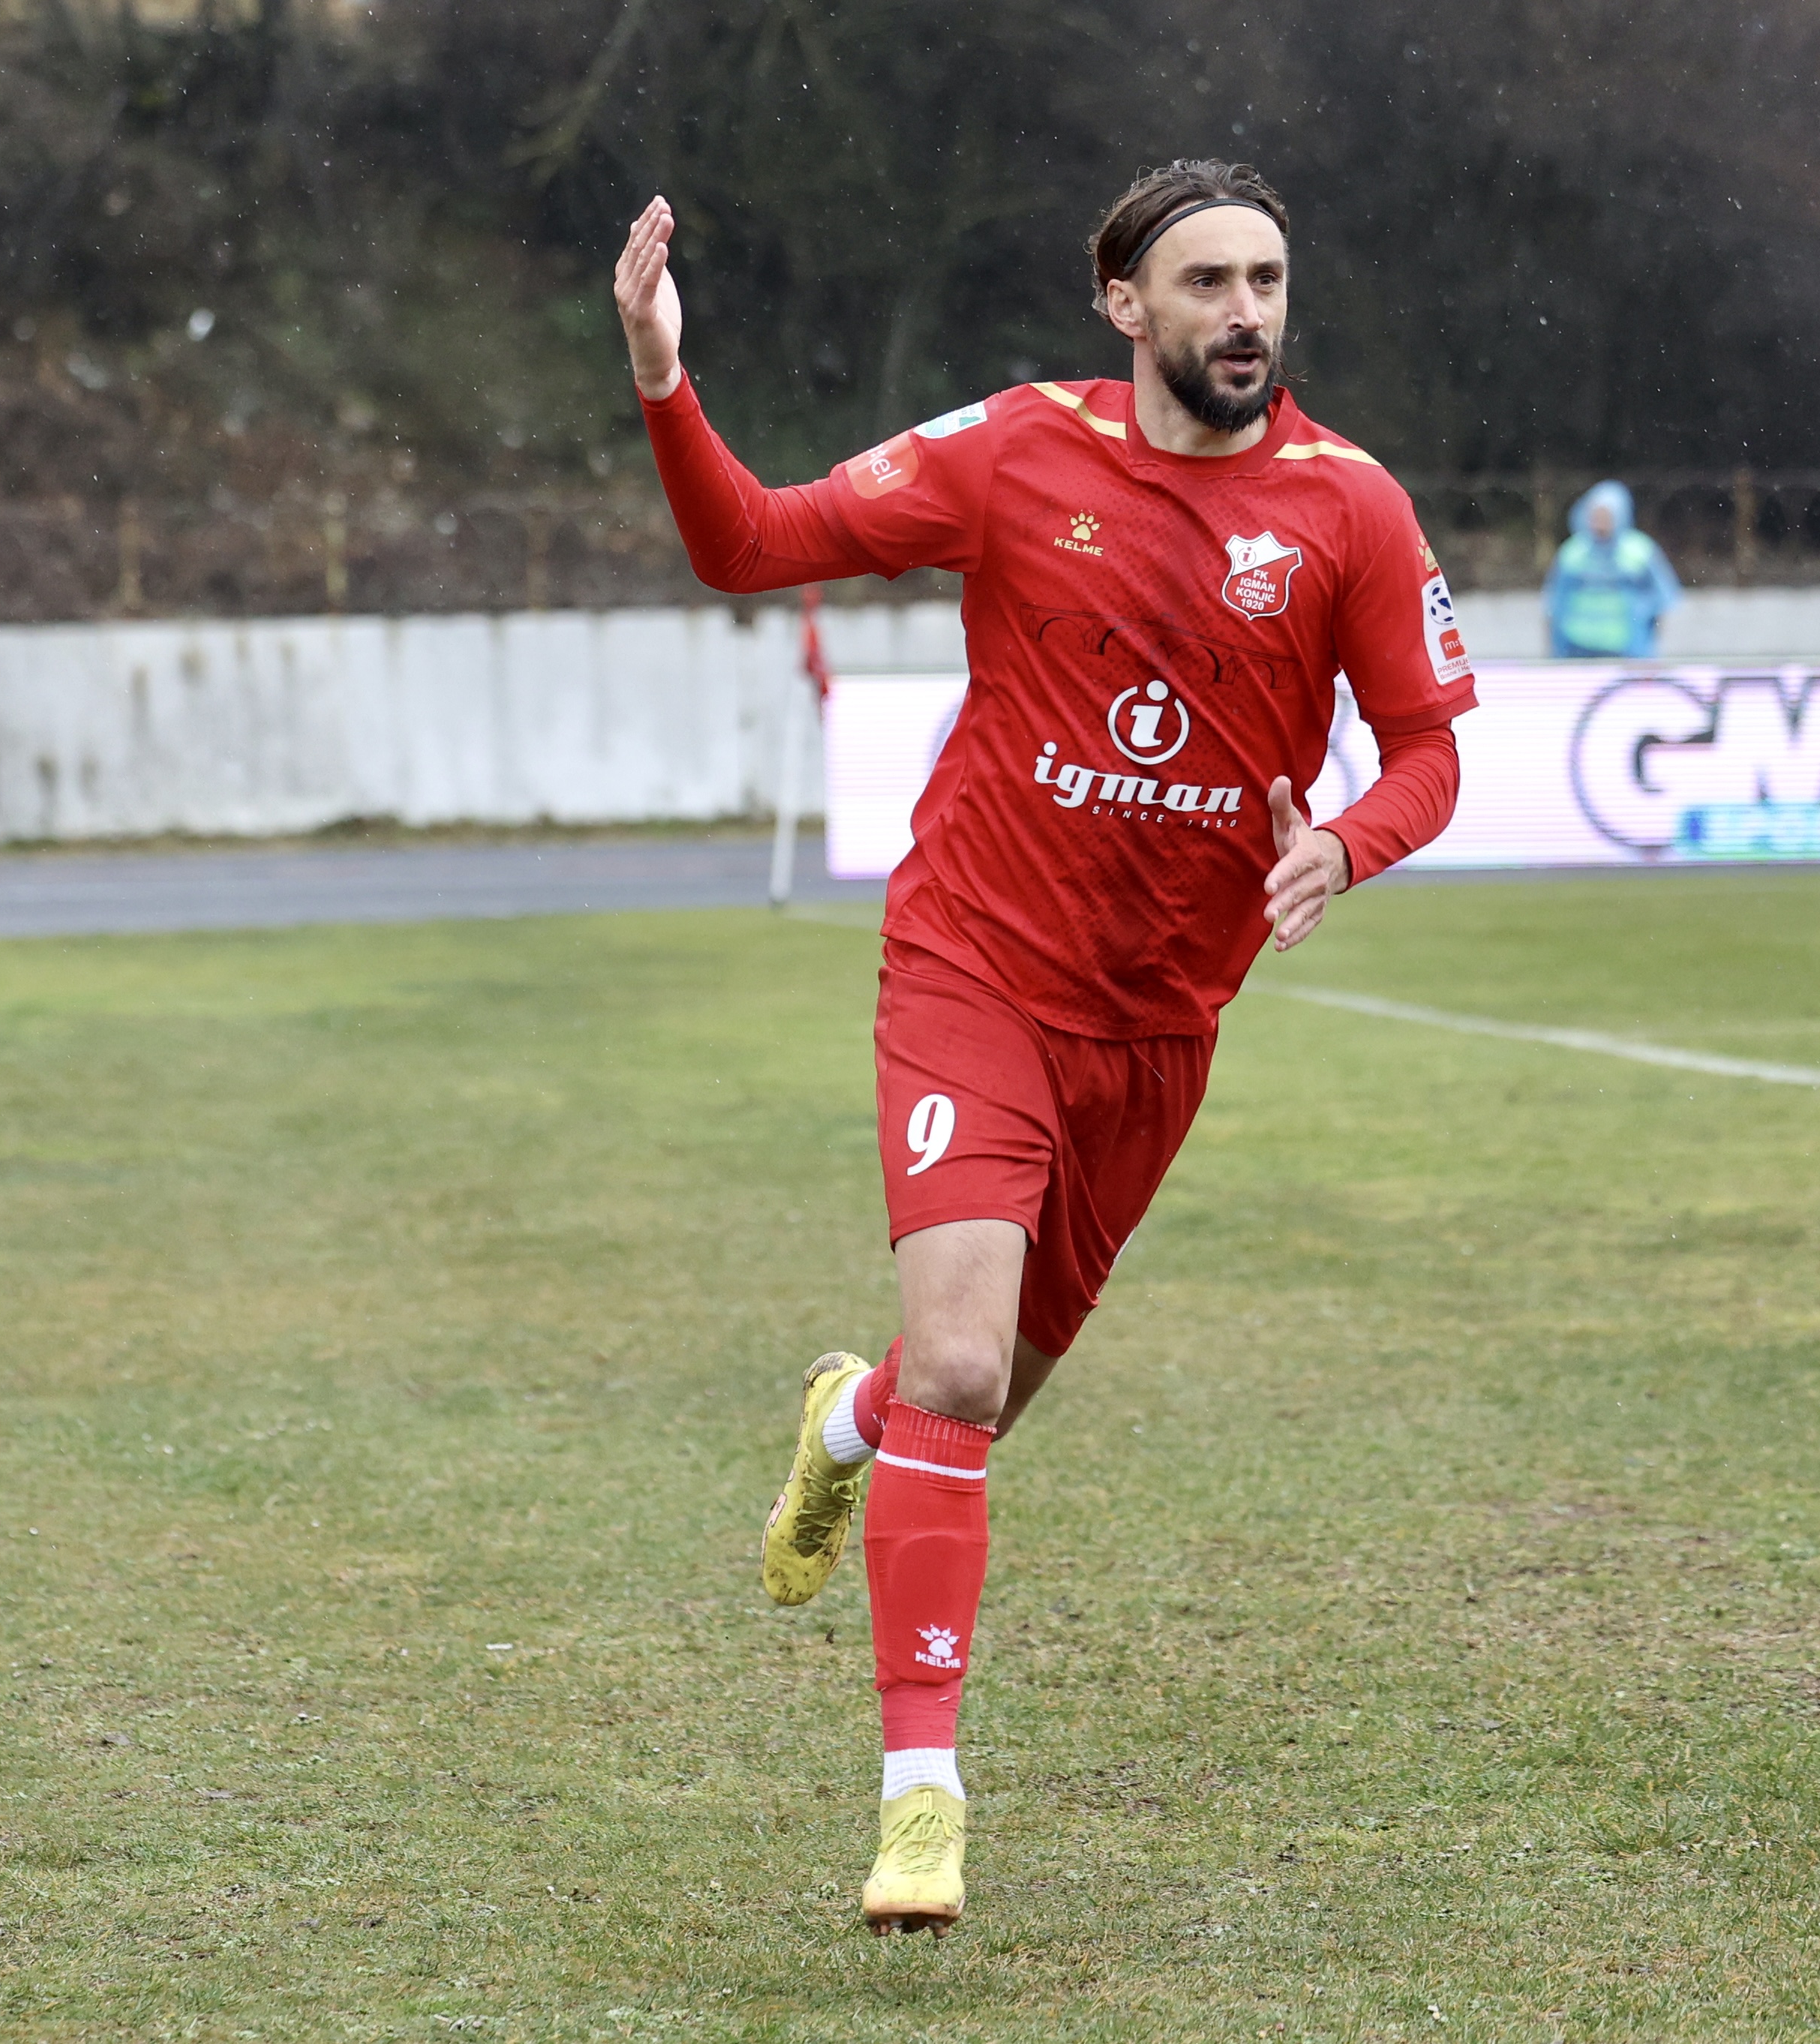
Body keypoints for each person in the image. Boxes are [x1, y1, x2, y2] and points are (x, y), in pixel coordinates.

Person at [614, 158, 1473, 1935]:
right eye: (1210, 281)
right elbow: (748, 544)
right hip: (973, 973)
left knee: (963, 1400)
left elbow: (1426, 750)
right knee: (960, 1366)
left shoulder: (1354, 511)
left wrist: (1351, 837)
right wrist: (660, 374)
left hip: (1161, 1024)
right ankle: (919, 1801)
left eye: (1267, 280)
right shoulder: (1013, 452)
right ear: (1126, 304)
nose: (1247, 311)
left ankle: (837, 1426)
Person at [1542, 479, 1681, 658]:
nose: (1600, 522)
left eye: (1606, 515)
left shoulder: (1639, 551)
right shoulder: (1573, 552)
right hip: (1577, 648)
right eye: (1595, 515)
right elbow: (1554, 602)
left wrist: (1651, 648)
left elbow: (1663, 599)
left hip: (1628, 648)